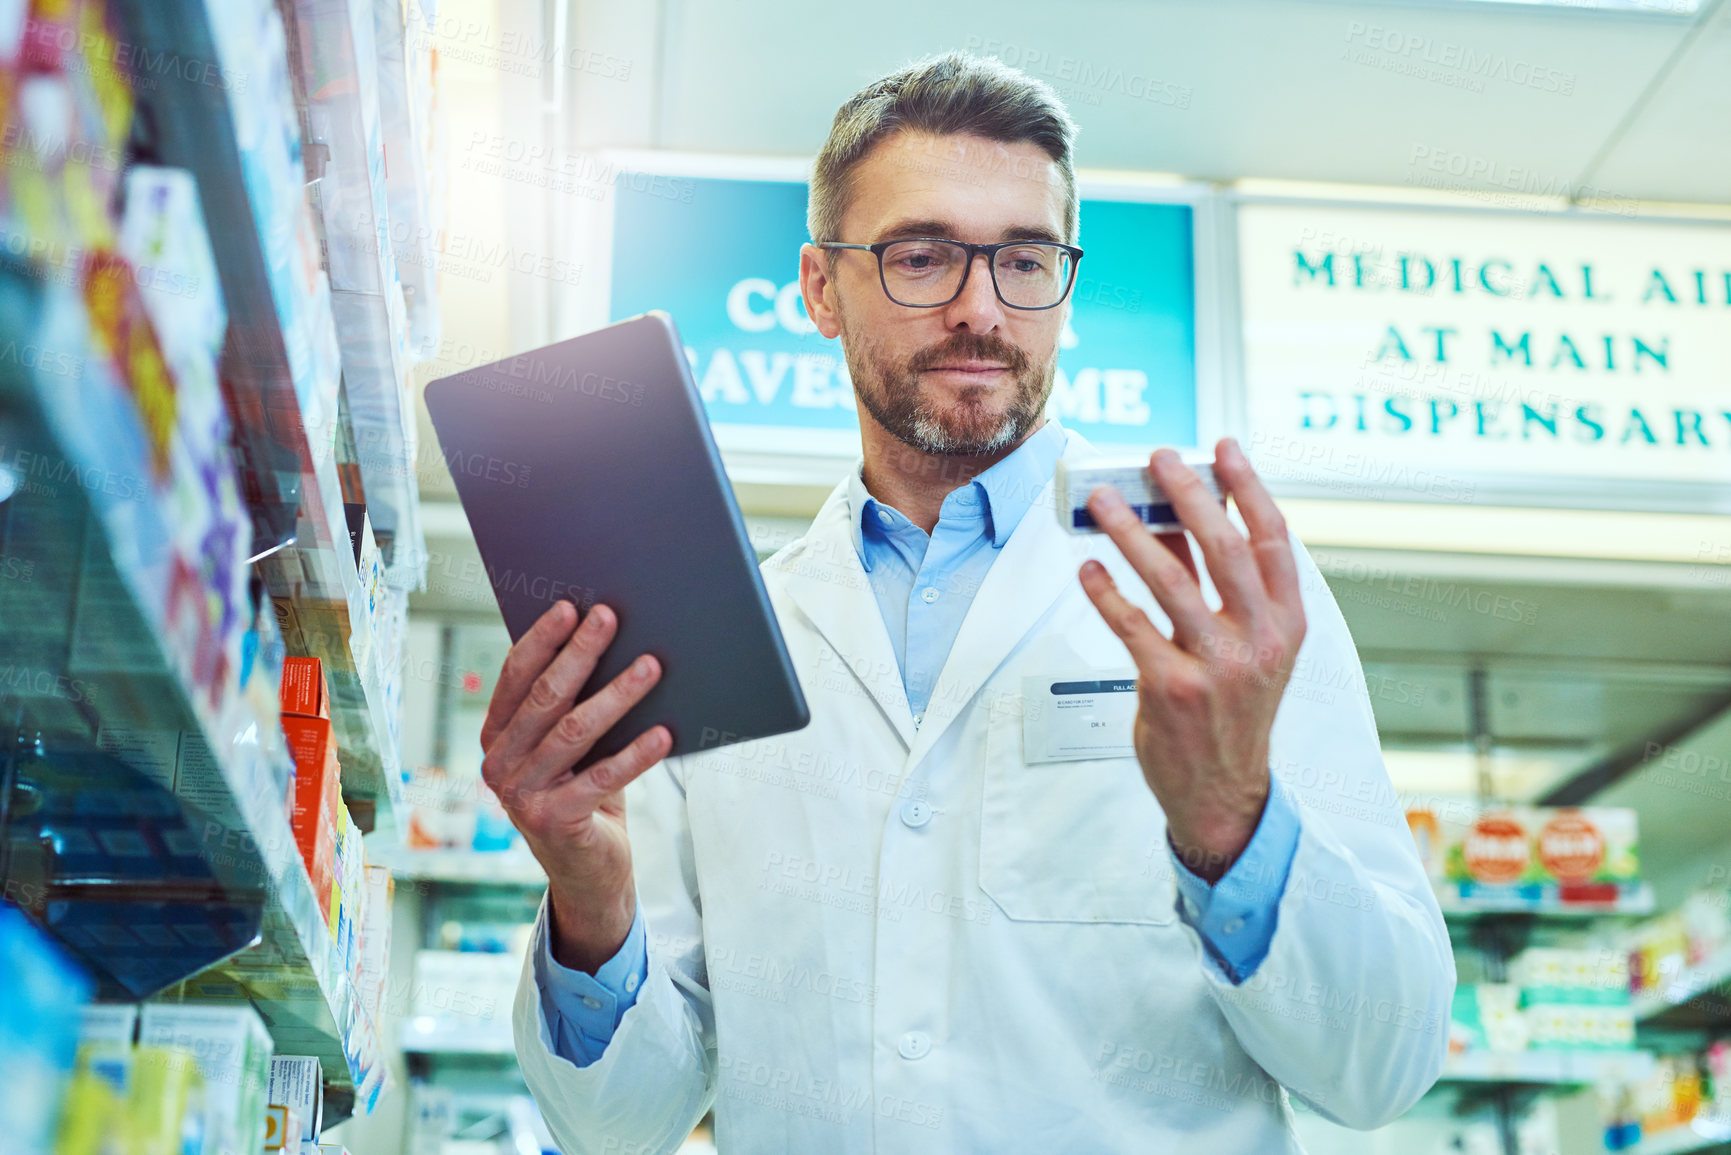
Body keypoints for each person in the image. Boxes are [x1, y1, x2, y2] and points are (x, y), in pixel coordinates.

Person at [485, 50, 1454, 1154]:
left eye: (1026, 261)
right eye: (921, 256)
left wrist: (1235, 824)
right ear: (818, 289)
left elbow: (1384, 1063)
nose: (979, 309)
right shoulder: (717, 636)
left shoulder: (1216, 595)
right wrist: (587, 894)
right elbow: (618, 1125)